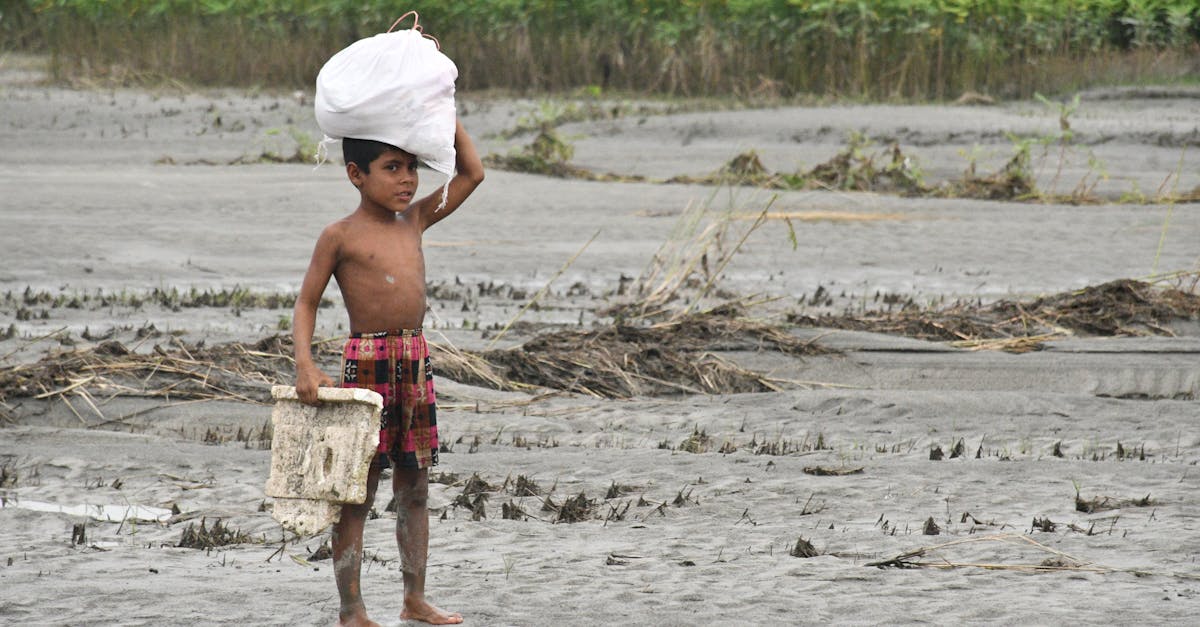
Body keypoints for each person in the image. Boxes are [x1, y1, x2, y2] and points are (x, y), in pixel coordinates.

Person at [292, 119, 484, 626]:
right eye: (392, 168)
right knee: (358, 489)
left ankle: (414, 599)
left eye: (412, 167)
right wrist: (306, 364)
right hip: (366, 364)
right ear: (356, 174)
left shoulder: (416, 220)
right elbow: (307, 302)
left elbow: (473, 173)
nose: (407, 180)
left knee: (415, 486)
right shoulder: (339, 235)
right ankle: (351, 609)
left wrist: (443, 114)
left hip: (415, 362)